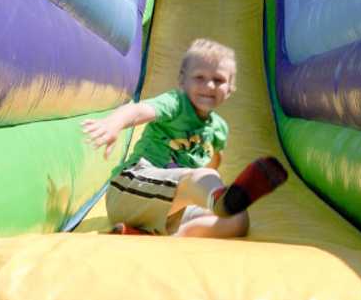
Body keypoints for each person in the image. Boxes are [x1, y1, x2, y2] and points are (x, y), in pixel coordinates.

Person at [82, 38, 287, 237]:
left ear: (230, 89)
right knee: (204, 181)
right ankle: (217, 201)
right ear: (182, 80)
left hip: (169, 208)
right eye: (199, 77)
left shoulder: (219, 129)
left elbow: (212, 163)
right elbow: (139, 110)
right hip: (130, 190)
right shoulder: (175, 103)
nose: (209, 85)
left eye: (219, 80)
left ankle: (165, 235)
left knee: (238, 219)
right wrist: (114, 123)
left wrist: (214, 181)